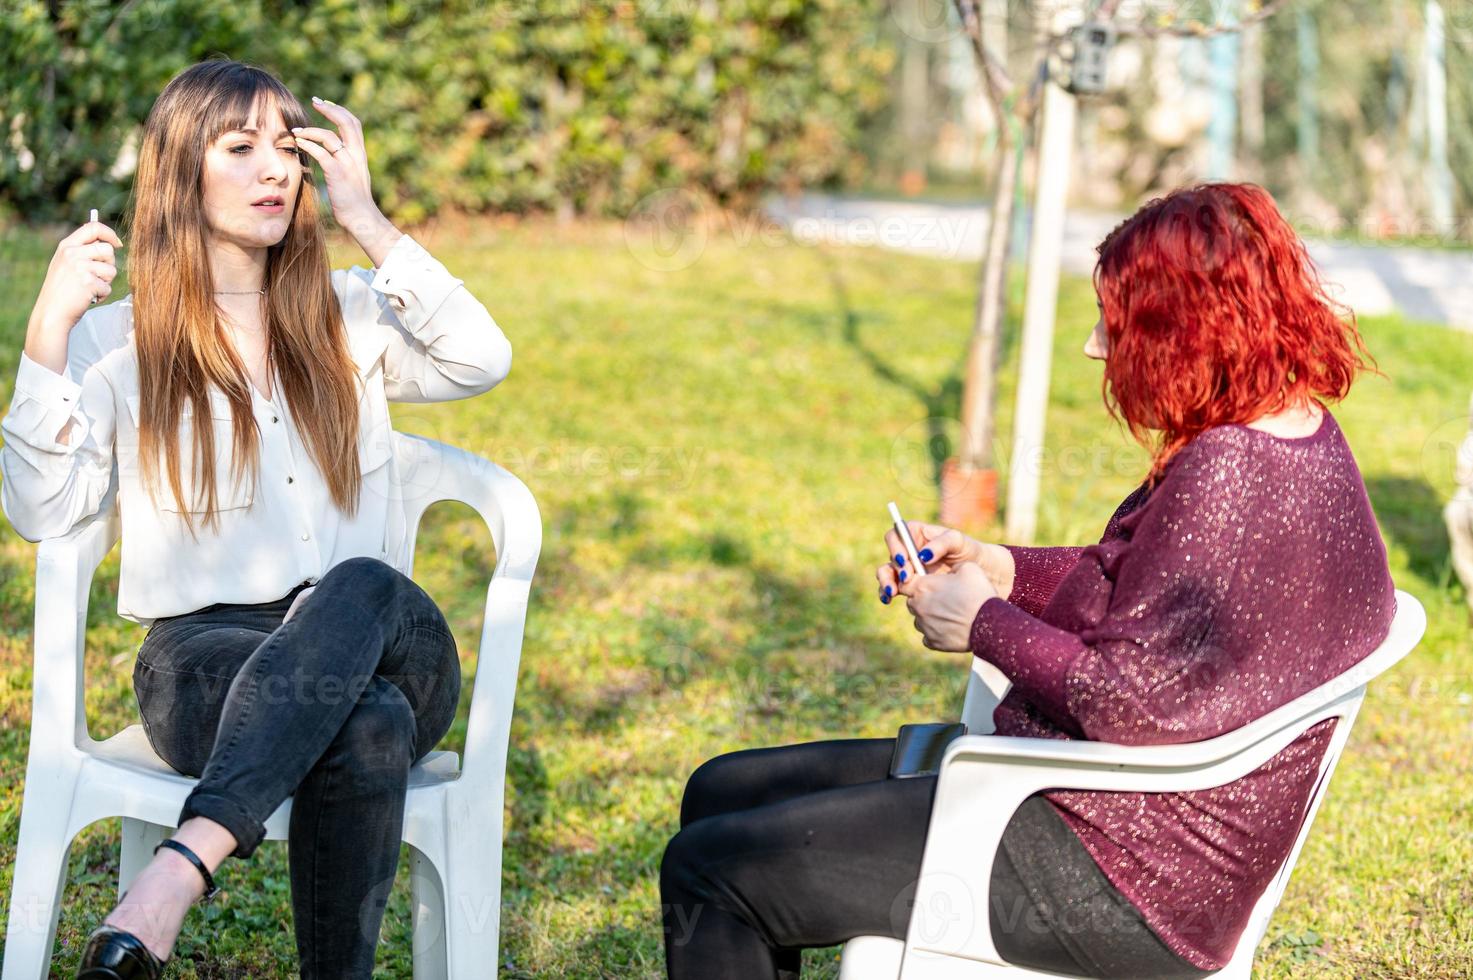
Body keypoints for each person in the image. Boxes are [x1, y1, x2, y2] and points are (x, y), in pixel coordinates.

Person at [659, 182, 1397, 979]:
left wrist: (978, 623)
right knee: (719, 790)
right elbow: (1136, 588)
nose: (1093, 347)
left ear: (1187, 328)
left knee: (712, 870)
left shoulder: (1225, 470)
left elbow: (1130, 703)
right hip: (1108, 813)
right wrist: (998, 567)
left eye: (1115, 323)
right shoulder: (1294, 429)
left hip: (1113, 874)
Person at [0, 59, 511, 980]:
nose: (274, 169)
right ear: (178, 174)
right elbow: (41, 511)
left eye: (287, 149)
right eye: (240, 149)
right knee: (367, 722)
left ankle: (175, 874)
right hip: (205, 663)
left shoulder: (350, 316)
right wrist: (46, 328)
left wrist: (367, 219)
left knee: (361, 587)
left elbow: (482, 357)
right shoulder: (115, 340)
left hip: (391, 638)